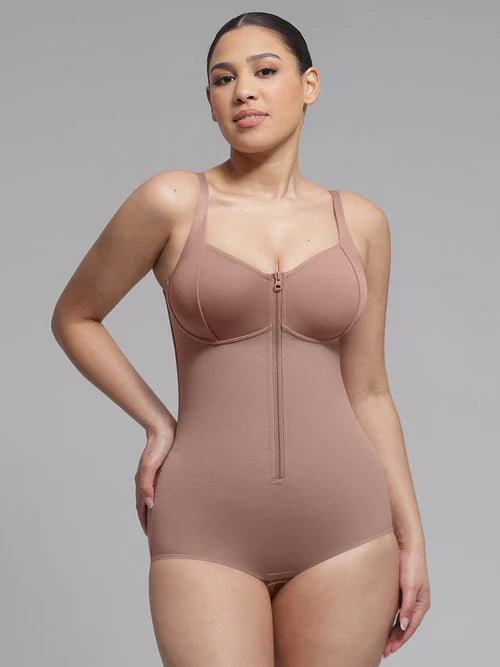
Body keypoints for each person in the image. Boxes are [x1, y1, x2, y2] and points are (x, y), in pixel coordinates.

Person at [51, 11, 430, 667]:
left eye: (264, 71)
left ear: (309, 85)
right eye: (223, 79)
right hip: (205, 529)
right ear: (210, 102)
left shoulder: (361, 223)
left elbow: (370, 390)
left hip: (345, 528)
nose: (243, 90)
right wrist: (157, 423)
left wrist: (412, 536)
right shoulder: (173, 202)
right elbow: (75, 316)